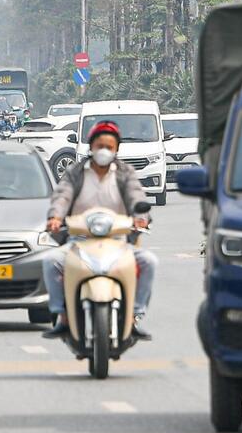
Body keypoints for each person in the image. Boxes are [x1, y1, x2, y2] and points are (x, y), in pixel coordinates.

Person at [42, 121, 156, 341]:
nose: (104, 150)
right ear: (91, 147)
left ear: (116, 150)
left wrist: (140, 219)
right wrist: (55, 217)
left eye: (109, 147)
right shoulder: (75, 172)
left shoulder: (125, 173)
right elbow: (62, 196)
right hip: (78, 241)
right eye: (100, 145)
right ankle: (63, 316)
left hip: (119, 242)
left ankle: (134, 316)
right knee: (51, 261)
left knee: (149, 262)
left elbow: (136, 197)